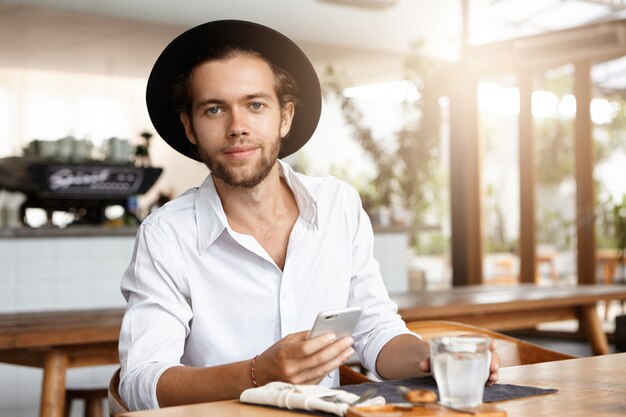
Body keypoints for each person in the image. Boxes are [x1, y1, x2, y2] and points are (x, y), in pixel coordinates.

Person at [118, 19, 500, 411]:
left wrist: (428, 359)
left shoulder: (338, 205)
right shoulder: (166, 235)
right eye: (214, 109)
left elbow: (376, 332)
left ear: (284, 117)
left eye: (255, 105)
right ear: (190, 128)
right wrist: (256, 374)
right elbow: (141, 382)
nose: (237, 127)